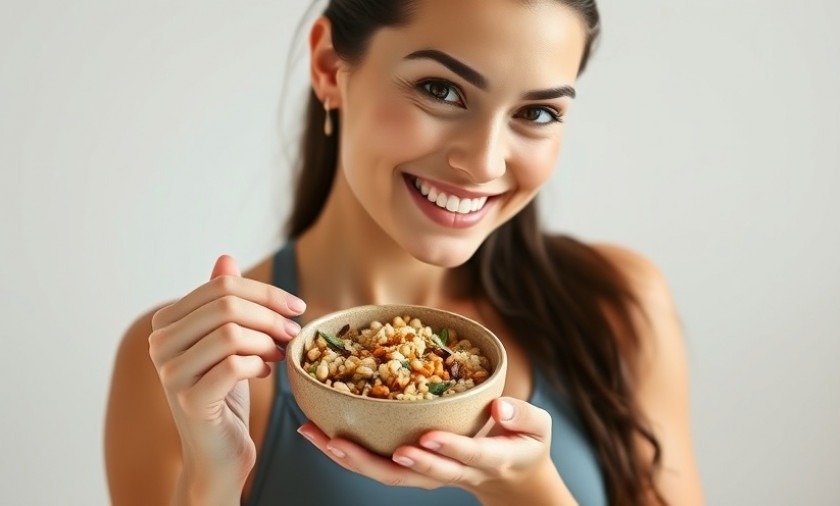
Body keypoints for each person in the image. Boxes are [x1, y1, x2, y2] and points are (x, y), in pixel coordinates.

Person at [104, 0, 704, 504]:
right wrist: (211, 478)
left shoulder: (618, 307)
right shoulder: (190, 365)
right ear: (328, 65)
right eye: (441, 89)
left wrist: (527, 492)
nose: (485, 162)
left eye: (537, 112)